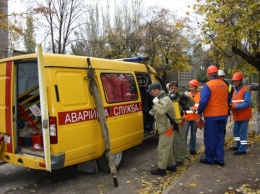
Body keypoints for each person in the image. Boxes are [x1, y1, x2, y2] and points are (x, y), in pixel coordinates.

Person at [198, 65, 229, 167]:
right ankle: (220, 159)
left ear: (209, 74)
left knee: (211, 138)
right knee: (220, 137)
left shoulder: (208, 85)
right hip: (223, 115)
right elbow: (228, 100)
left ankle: (210, 158)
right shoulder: (224, 85)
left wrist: (199, 111)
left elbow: (203, 101)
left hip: (212, 115)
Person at [148, 82, 177, 175]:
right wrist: (154, 110)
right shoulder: (162, 98)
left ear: (156, 90)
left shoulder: (165, 98)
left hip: (166, 128)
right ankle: (171, 166)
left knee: (162, 148)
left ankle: (161, 169)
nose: (151, 94)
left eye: (152, 92)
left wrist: (155, 105)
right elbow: (162, 109)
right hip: (166, 127)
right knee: (167, 147)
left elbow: (163, 110)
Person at [168, 81, 195, 166]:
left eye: (175, 88)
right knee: (170, 141)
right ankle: (172, 158)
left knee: (180, 141)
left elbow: (192, 103)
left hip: (179, 122)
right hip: (169, 123)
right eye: (172, 88)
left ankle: (180, 159)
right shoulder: (167, 98)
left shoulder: (181, 97)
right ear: (169, 89)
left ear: (177, 88)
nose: (173, 90)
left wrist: (188, 97)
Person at [229, 72, 252, 155]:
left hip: (244, 116)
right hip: (237, 115)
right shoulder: (235, 90)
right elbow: (234, 101)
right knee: (236, 131)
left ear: (240, 81)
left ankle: (242, 149)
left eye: (236, 81)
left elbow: (247, 103)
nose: (235, 82)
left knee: (242, 132)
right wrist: (230, 105)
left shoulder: (246, 90)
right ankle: (238, 145)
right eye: (234, 81)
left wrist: (235, 107)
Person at [183, 79, 201, 155]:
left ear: (196, 87)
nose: (190, 88)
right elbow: (183, 105)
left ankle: (192, 149)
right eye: (189, 86)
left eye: (192, 87)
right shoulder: (186, 95)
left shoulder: (200, 95)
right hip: (187, 118)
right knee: (185, 134)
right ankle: (183, 150)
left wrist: (199, 117)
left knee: (193, 135)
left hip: (195, 118)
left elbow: (201, 106)